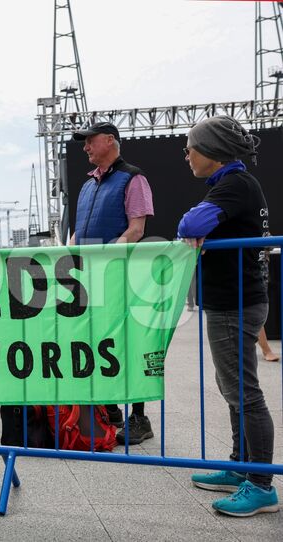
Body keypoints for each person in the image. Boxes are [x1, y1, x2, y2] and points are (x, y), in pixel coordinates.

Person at [179, 116, 278, 517]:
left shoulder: (234, 184)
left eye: (190, 147)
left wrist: (195, 227)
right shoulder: (232, 184)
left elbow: (190, 223)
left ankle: (261, 485)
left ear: (211, 152)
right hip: (234, 302)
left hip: (235, 304)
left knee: (244, 392)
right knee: (233, 388)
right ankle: (242, 464)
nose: (185, 155)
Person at [70, 121, 155, 445]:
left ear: (110, 141)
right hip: (89, 279)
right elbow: (78, 232)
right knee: (97, 342)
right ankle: (111, 410)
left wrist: (107, 261)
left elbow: (136, 229)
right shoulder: (88, 184)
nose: (85, 147)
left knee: (128, 343)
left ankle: (139, 417)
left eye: (90, 141)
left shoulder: (133, 178)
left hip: (119, 276)